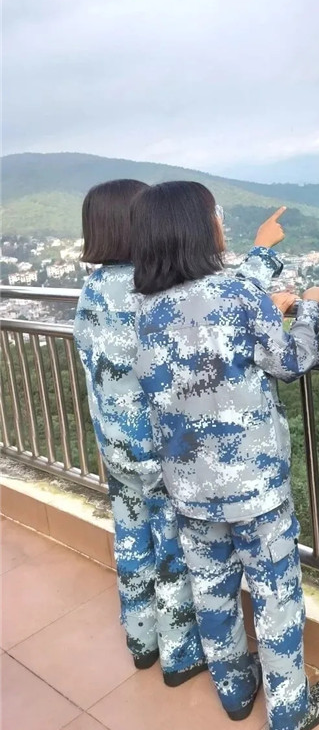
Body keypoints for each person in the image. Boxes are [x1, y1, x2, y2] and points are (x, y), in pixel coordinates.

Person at [131, 181, 319, 730]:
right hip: (254, 485)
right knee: (274, 596)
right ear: (201, 229)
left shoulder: (144, 309)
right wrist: (307, 309)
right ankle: (288, 712)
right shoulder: (238, 296)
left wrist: (262, 264)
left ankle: (235, 691)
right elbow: (291, 361)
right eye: (215, 214)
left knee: (212, 591)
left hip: (188, 486)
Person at [73, 179, 206, 685]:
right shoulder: (144, 288)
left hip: (115, 444)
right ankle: (180, 655)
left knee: (131, 538)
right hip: (155, 450)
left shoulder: (93, 289)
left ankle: (141, 640)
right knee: (172, 548)